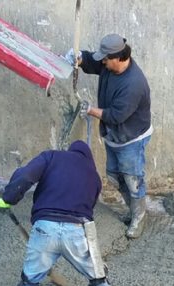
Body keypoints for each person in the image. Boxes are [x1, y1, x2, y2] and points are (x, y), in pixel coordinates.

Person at [0, 140, 111, 286]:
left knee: (30, 278)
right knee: (97, 275)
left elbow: (25, 175)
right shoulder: (94, 176)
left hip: (45, 229)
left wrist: (8, 198)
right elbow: (89, 207)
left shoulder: (51, 157)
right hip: (78, 230)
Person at [69, 33, 152, 239]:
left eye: (106, 58)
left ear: (119, 58)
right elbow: (92, 62)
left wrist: (90, 110)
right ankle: (134, 211)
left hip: (131, 138)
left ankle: (140, 217)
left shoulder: (133, 84)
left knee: (133, 179)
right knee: (115, 177)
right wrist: (79, 59)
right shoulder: (109, 66)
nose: (103, 62)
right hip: (114, 136)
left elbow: (115, 116)